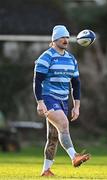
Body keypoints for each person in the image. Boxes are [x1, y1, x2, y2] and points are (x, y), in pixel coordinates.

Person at [33, 25, 90, 177]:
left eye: (67, 37)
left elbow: (76, 84)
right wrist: (40, 102)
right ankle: (74, 156)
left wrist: (76, 106)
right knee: (64, 125)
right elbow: (37, 82)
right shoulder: (46, 57)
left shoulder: (71, 59)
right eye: (62, 37)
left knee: (53, 137)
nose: (65, 40)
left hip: (63, 100)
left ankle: (46, 171)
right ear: (54, 40)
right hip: (48, 98)